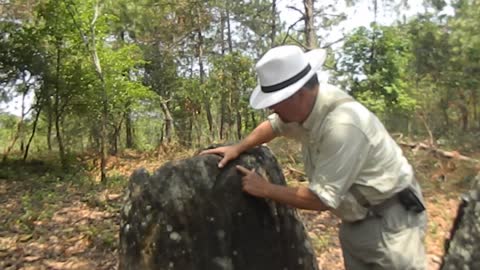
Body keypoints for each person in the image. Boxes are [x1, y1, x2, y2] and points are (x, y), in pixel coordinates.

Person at [201, 45, 427, 270]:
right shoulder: (305, 108)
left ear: (298, 94)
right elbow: (272, 126)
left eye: (276, 101)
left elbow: (319, 199)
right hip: (356, 220)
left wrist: (265, 189)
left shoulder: (342, 125)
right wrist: (238, 147)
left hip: (392, 221)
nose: (271, 107)